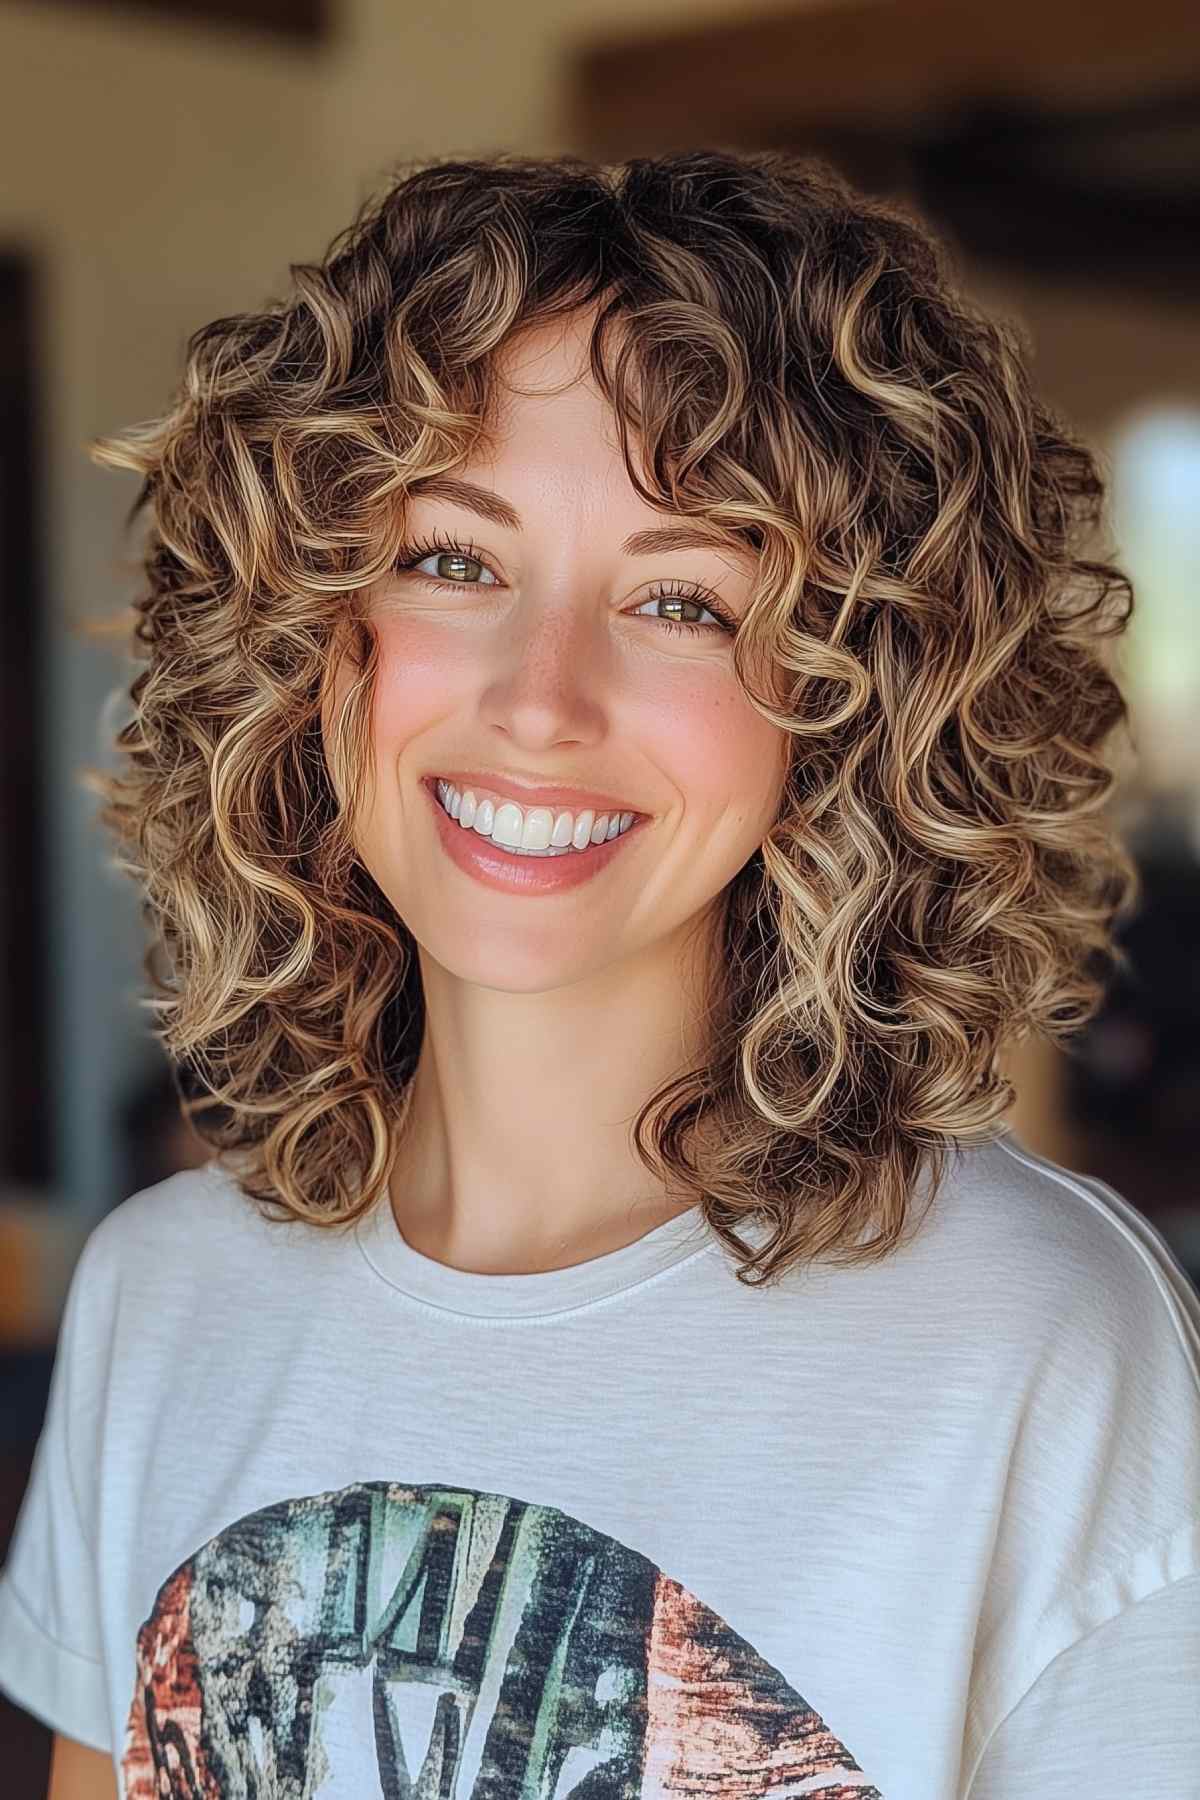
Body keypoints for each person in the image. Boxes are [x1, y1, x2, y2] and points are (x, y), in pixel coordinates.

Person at [2, 150, 1197, 1798]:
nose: (543, 698)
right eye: (454, 560)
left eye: (686, 599)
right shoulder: (166, 1299)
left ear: (854, 695)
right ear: (306, 633)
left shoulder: (1035, 1345)